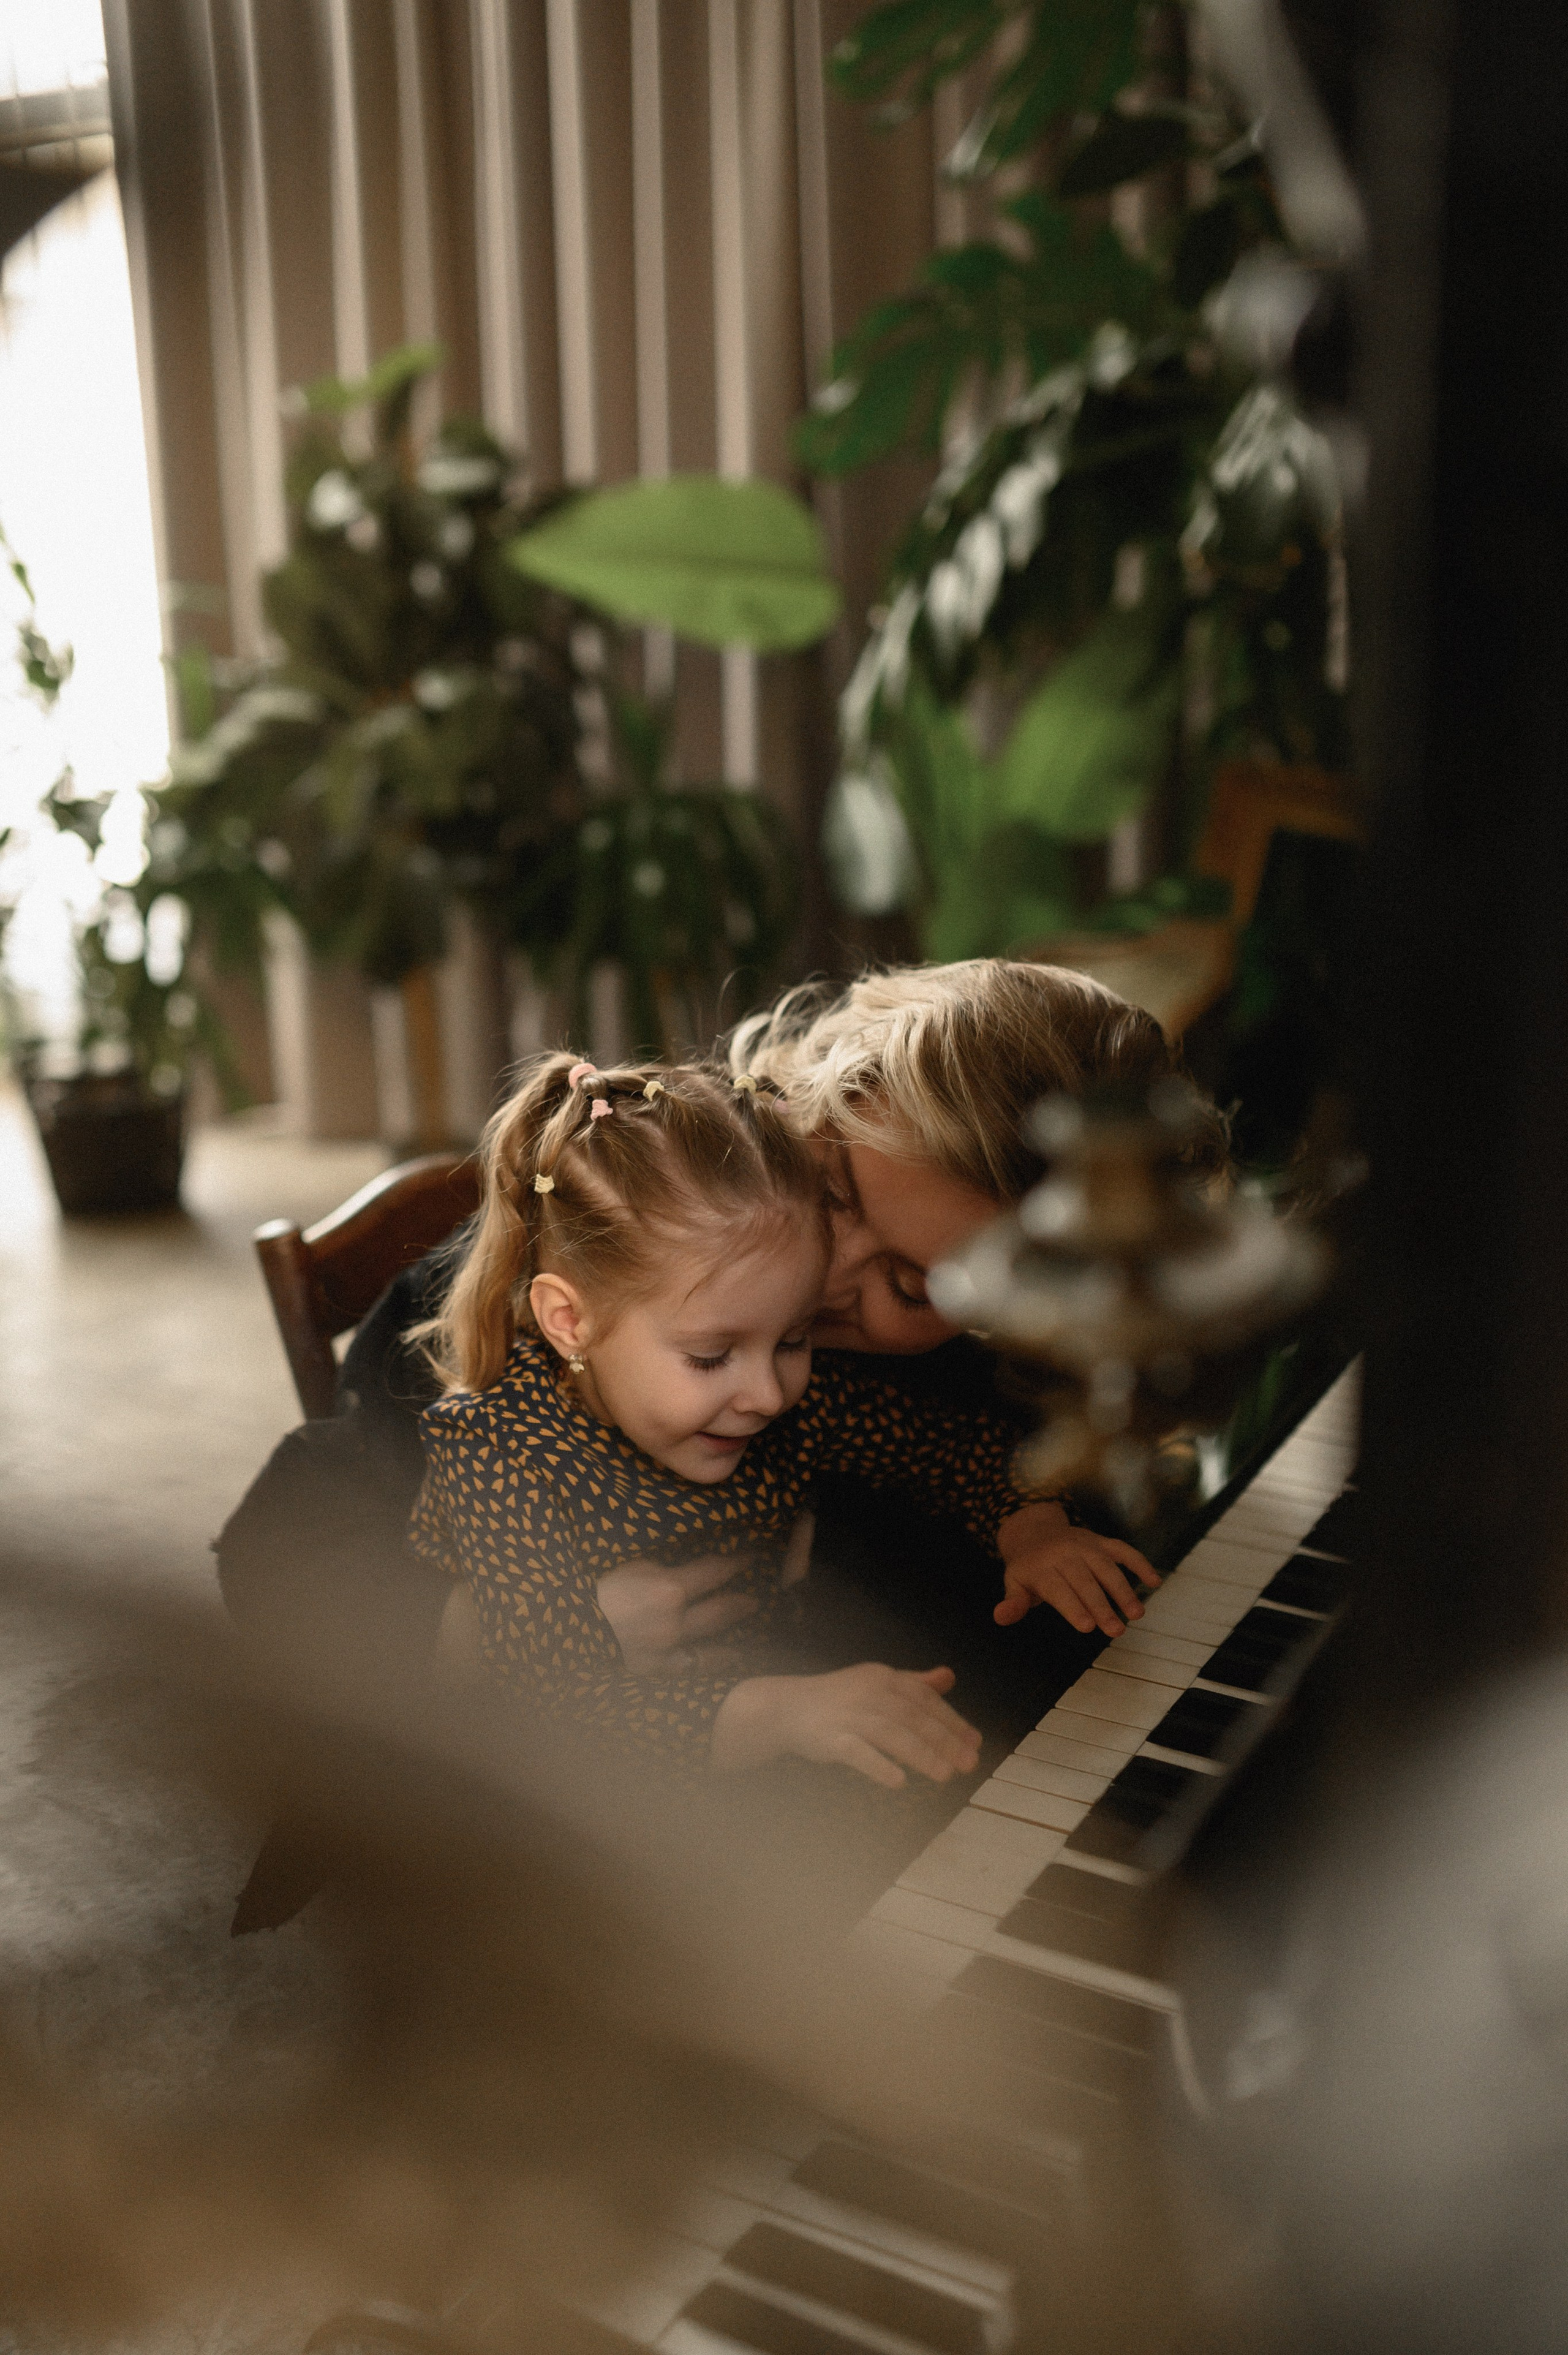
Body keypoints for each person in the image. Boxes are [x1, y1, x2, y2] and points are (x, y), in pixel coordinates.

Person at [218, 959, 1219, 1748]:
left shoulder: (964, 1385)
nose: (831, 1280)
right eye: (832, 1193)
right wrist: (494, 1627)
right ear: (811, 1102)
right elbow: (284, 1559)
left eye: (915, 1288)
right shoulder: (544, 1299)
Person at [410, 1052, 1156, 1788]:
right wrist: (786, 1713)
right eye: (710, 1355)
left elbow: (949, 1449)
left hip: (739, 1732)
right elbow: (560, 1708)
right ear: (570, 1320)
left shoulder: (782, 1397)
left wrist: (1033, 1530)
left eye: (794, 1338)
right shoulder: (499, 1450)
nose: (769, 1392)